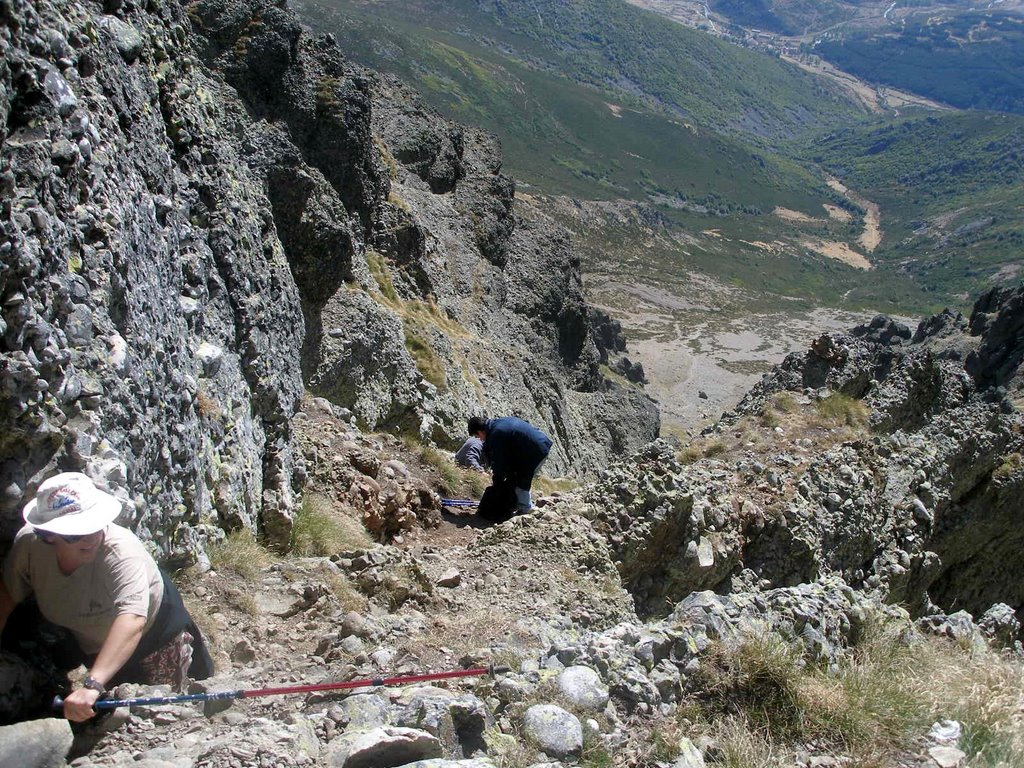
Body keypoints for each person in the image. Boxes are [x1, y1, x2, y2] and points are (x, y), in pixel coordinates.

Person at [0, 472, 213, 722]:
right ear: (49, 535)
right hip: (94, 644)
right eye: (76, 532)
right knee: (111, 715)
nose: (90, 537)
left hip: (157, 637)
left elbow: (132, 619)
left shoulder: (122, 552)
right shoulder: (29, 548)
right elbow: (7, 595)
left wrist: (92, 685)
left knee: (173, 714)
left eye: (95, 525)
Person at [468, 415, 552, 514]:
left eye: (478, 436)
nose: (480, 439)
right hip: (541, 443)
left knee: (521, 480)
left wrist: (497, 481)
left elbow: (500, 461)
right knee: (517, 478)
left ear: (480, 432)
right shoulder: (498, 423)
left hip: (536, 451)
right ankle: (519, 504)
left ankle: (525, 510)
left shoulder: (496, 434)